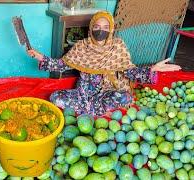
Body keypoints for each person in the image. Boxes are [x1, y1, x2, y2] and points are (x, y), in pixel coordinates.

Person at [27, 11, 181, 116]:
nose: (101, 31)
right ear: (91, 28)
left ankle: (89, 111)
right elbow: (62, 65)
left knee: (125, 97)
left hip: (104, 95)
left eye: (106, 27)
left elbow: (128, 71)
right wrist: (40, 57)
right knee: (55, 97)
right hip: (82, 95)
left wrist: (151, 69)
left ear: (111, 29)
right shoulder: (82, 46)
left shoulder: (117, 46)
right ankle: (93, 111)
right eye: (97, 27)